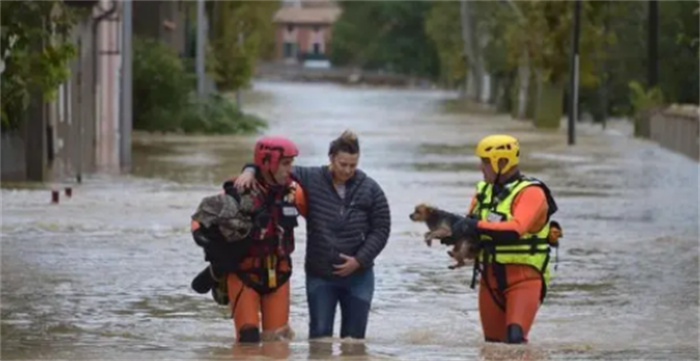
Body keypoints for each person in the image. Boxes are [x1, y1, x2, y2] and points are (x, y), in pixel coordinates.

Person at [234, 130, 391, 340]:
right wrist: (249, 170)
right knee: (319, 341)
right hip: (320, 276)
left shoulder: (371, 189)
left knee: (354, 343)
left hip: (359, 277)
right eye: (343, 164)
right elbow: (275, 169)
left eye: (353, 165)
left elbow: (382, 229)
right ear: (331, 159)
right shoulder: (310, 178)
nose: (347, 170)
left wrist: (360, 260)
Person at [439, 134, 562, 344]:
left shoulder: (532, 192)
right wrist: (457, 239)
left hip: (525, 278)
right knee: (493, 346)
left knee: (514, 341)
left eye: (486, 162)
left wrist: (474, 225)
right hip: (490, 279)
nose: (481, 167)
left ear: (502, 162)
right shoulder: (483, 191)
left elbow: (515, 230)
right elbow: (474, 228)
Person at [190, 136, 307, 343]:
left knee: (277, 341)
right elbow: (199, 222)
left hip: (278, 275)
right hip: (243, 274)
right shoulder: (238, 191)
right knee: (247, 341)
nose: (290, 169)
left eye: (291, 163)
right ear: (267, 163)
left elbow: (320, 218)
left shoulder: (293, 192)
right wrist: (218, 254)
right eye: (285, 163)